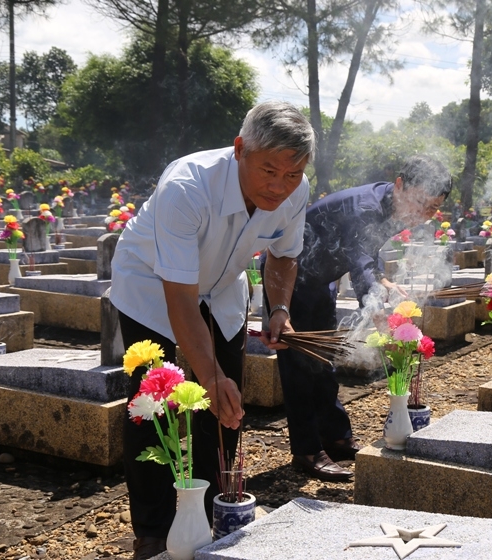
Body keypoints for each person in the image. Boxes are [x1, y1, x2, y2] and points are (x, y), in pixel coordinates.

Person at [110, 101, 315, 560]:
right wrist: (208, 374)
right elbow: (180, 298)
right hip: (152, 282)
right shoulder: (188, 186)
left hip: (222, 285)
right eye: (268, 171)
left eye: (292, 174)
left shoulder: (295, 191)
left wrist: (278, 307)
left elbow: (283, 254)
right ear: (240, 149)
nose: (279, 187)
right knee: (152, 404)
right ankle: (153, 529)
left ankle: (211, 510)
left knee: (226, 400)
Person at [260, 155, 452, 481]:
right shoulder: (365, 207)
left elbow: (364, 253)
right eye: (421, 203)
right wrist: (381, 315)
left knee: (324, 361)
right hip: (290, 279)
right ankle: (306, 450)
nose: (423, 215)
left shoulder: (395, 205)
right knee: (299, 367)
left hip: (320, 280)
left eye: (433, 209)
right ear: (400, 185)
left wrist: (385, 283)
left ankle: (334, 436)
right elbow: (360, 263)